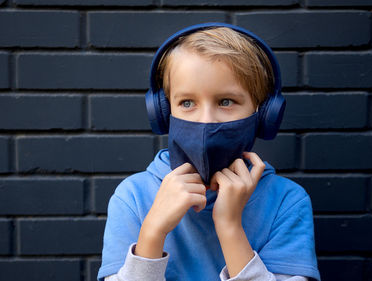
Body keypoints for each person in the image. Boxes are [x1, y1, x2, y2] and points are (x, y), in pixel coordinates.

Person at [97, 23, 320, 281]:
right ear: (163, 112)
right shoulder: (133, 197)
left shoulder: (286, 201)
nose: (206, 121)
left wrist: (229, 226)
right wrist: (152, 232)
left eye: (226, 102)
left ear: (263, 114)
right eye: (187, 103)